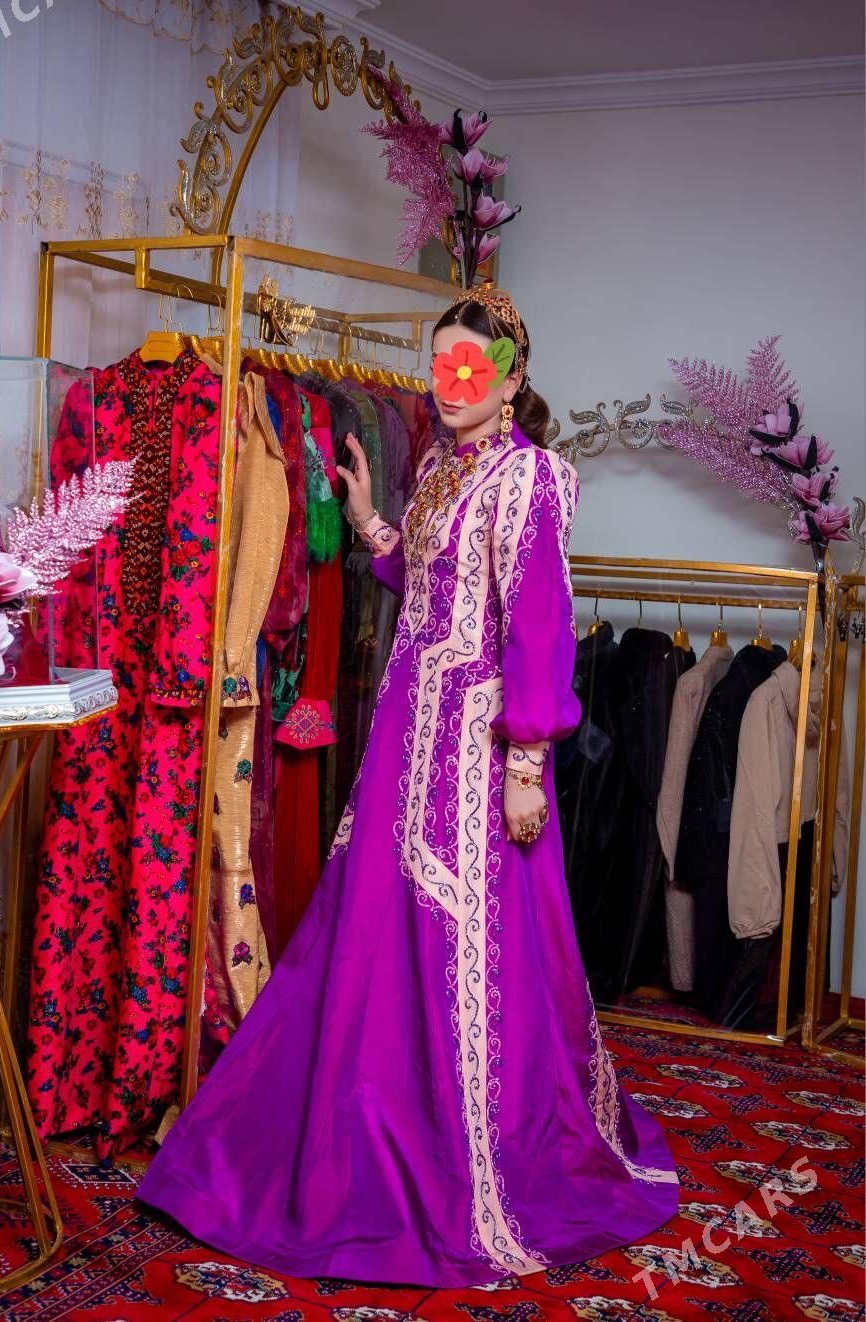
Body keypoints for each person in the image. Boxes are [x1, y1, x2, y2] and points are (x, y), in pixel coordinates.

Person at [137, 287, 679, 1287]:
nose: (453, 384)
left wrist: (526, 762)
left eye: (473, 368)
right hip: (404, 734)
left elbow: (536, 623)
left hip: (476, 749)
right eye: (442, 366)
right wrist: (370, 526)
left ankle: (466, 1160)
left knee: (467, 939)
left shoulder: (531, 478)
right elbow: (433, 588)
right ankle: (360, 1127)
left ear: (512, 377)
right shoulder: (435, 465)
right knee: (373, 931)